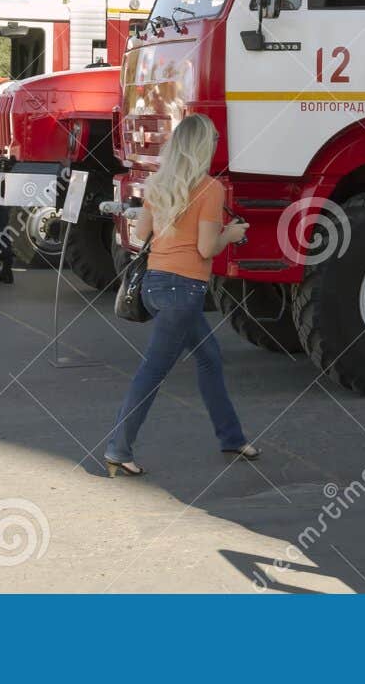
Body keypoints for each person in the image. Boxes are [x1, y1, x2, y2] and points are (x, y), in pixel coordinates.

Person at [103, 114, 257, 476]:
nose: (219, 143)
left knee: (209, 358)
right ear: (203, 147)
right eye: (215, 139)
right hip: (183, 291)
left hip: (156, 286)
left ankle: (231, 437)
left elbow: (142, 233)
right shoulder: (210, 189)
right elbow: (206, 249)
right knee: (153, 371)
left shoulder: (158, 184)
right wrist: (231, 235)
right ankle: (117, 448)